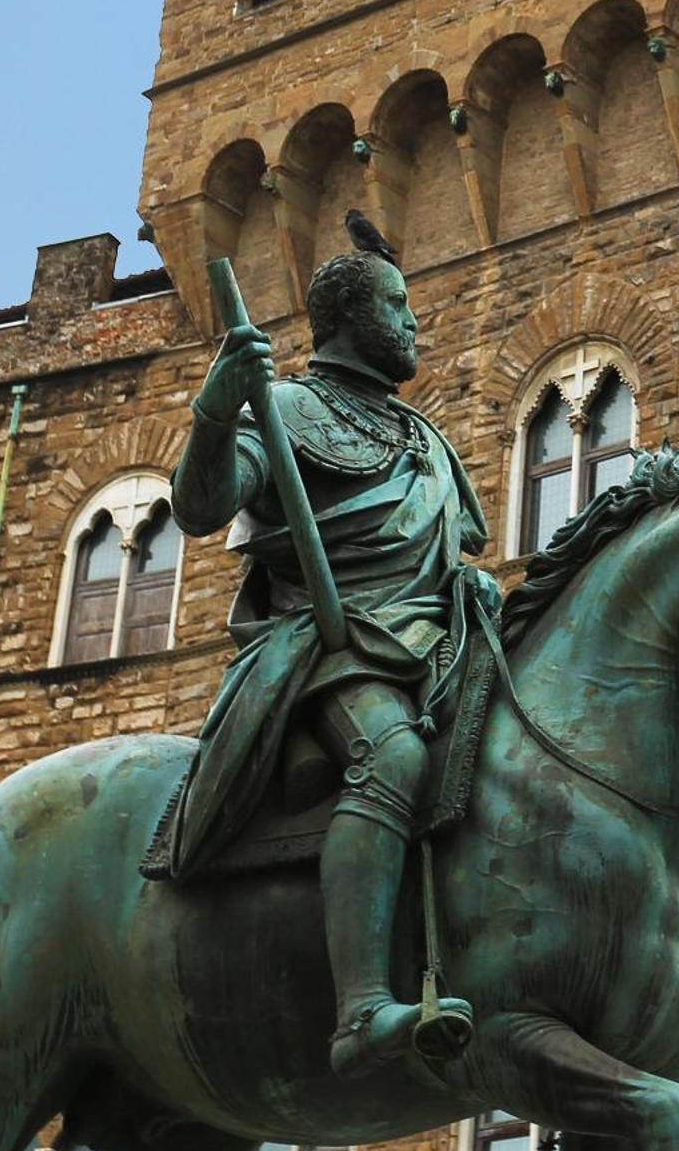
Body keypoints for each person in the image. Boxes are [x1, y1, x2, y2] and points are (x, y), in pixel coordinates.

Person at [147, 249, 502, 1078]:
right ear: (344, 316)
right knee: (395, 756)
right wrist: (213, 411)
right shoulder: (284, 408)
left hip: (432, 640)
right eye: (396, 303)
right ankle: (361, 1010)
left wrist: (468, 584)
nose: (415, 321)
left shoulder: (422, 436)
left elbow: (445, 550)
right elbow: (200, 507)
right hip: (330, 650)